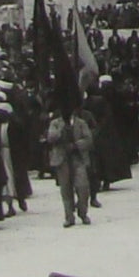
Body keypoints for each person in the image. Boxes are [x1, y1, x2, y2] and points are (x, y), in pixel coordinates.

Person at [46, 95, 94, 228]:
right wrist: (62, 129)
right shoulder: (55, 123)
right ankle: (69, 216)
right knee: (65, 189)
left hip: (78, 158)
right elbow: (50, 137)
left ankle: (83, 212)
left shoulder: (81, 123)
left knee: (83, 187)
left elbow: (89, 139)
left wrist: (76, 145)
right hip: (62, 160)